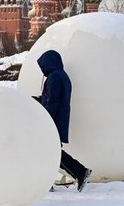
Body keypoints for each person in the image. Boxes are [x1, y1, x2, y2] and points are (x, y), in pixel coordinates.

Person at [36, 49, 92, 192]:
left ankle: (79, 172)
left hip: (52, 120)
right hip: (59, 119)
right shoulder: (62, 76)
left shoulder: (54, 77)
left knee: (49, 151)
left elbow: (53, 100)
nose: (42, 69)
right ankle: (77, 173)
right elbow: (52, 98)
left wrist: (46, 118)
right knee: (51, 151)